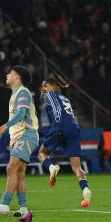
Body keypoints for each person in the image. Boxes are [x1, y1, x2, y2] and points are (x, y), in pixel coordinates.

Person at [0, 65, 39, 216]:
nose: (7, 75)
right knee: (20, 173)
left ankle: (4, 205)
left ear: (17, 77)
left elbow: (21, 115)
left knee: (11, 169)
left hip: (27, 135)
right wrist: (1, 136)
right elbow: (17, 121)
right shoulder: (15, 94)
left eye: (10, 73)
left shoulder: (22, 93)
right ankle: (23, 209)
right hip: (20, 136)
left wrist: (2, 128)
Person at [37, 77, 91, 207]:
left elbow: (54, 111)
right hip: (74, 128)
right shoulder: (65, 99)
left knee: (41, 154)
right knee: (77, 167)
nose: (43, 89)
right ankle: (86, 190)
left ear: (54, 87)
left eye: (45, 86)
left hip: (60, 126)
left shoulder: (49, 96)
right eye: (42, 87)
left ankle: (52, 167)